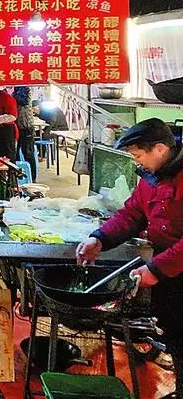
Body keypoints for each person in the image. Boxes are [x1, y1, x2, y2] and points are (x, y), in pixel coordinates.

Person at [76, 118, 183, 399]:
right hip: (170, 270)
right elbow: (132, 214)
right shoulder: (151, 179)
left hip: (174, 265)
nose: (138, 162)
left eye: (138, 155)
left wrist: (157, 269)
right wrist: (99, 238)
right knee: (174, 333)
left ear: (159, 149)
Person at [13, 86, 37, 182]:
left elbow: (24, 100)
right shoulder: (15, 89)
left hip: (26, 126)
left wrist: (12, 95)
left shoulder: (25, 89)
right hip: (17, 127)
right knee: (15, 153)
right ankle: (19, 177)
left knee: (28, 153)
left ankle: (32, 178)